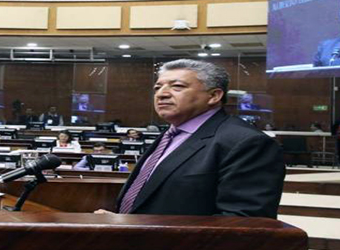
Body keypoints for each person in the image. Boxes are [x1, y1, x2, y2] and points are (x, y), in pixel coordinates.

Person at [102, 59, 285, 221]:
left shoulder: (246, 143)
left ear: (214, 96)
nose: (161, 94)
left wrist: (136, 231)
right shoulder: (171, 134)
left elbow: (243, 223)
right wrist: (122, 221)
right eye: (158, 87)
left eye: (177, 86)